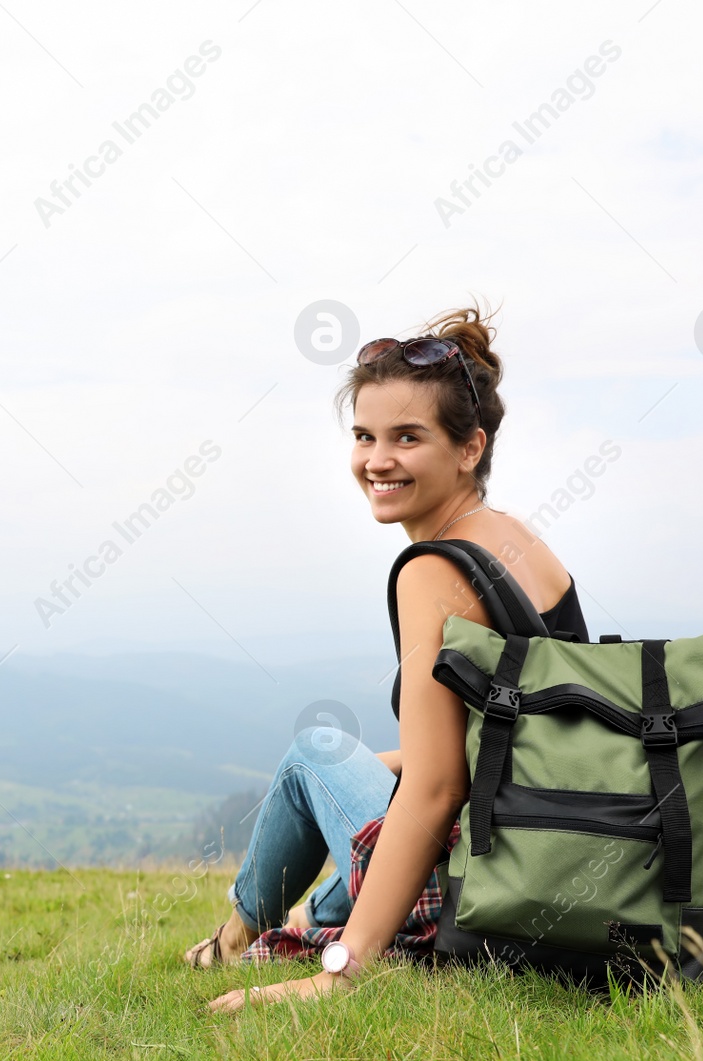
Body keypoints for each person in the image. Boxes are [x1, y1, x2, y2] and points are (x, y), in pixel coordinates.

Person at [186, 305, 589, 1012]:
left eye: (407, 437)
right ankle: (299, 918)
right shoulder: (520, 540)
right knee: (366, 770)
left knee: (315, 752)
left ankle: (237, 937)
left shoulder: (430, 570)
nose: (377, 460)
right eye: (365, 436)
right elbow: (510, 737)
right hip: (552, 860)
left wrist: (338, 972)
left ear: (469, 448)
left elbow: (438, 789)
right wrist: (386, 767)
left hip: (468, 892)